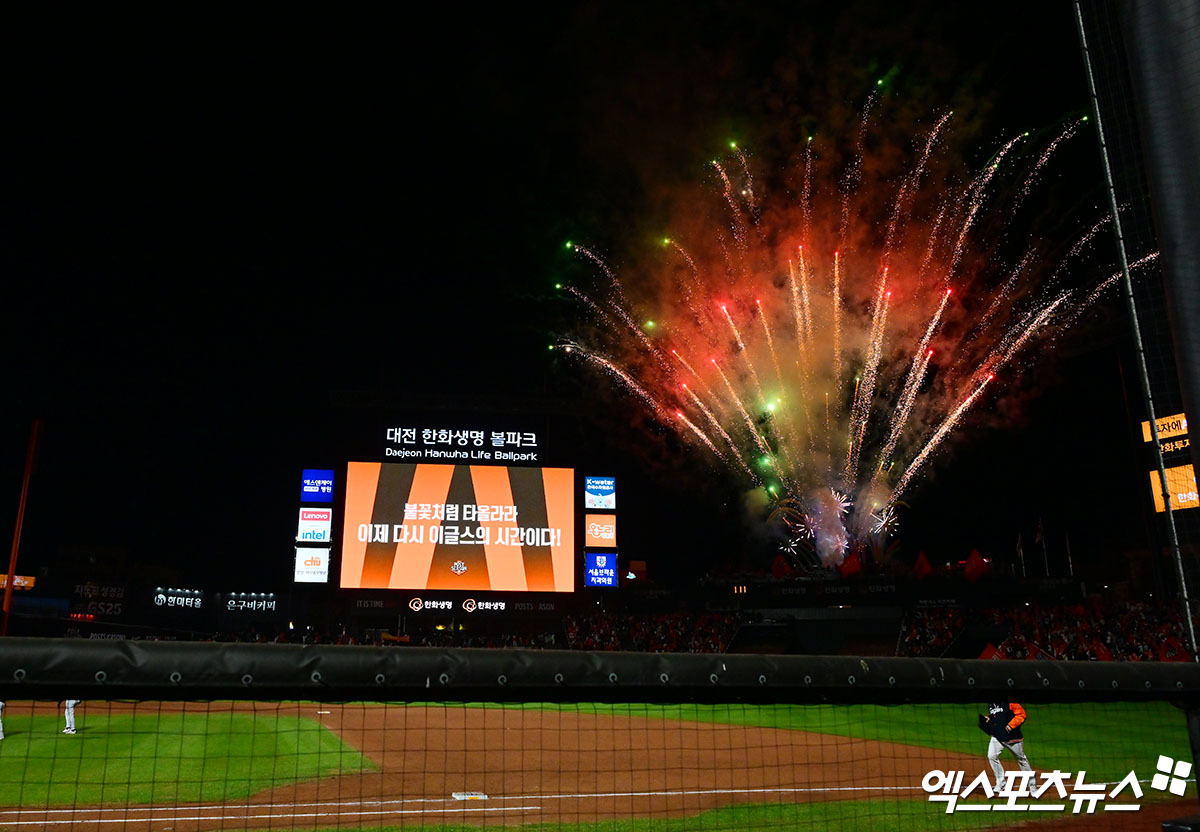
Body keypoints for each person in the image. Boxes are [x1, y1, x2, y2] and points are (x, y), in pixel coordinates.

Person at [978, 701, 1033, 792]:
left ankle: (1032, 786)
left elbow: (1022, 714)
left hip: (1012, 738)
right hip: (997, 737)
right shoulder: (992, 704)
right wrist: (989, 718)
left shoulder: (1009, 701)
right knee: (992, 756)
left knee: (1021, 760)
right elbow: (998, 716)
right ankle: (1001, 783)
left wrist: (1010, 726)